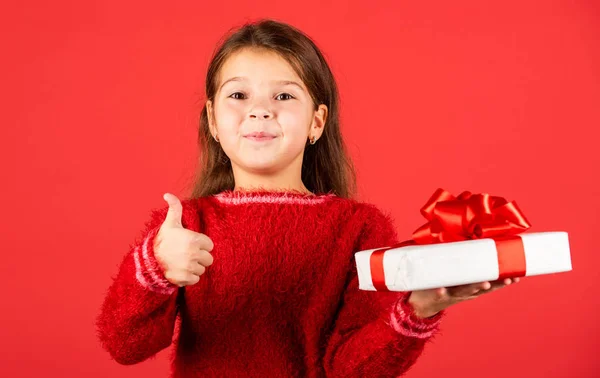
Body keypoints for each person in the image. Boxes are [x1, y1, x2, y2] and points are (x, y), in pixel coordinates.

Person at [96, 19, 518, 378]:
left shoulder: (359, 228)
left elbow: (352, 368)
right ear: (212, 120)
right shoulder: (181, 227)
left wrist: (419, 309)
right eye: (238, 95)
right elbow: (125, 344)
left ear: (317, 121)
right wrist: (155, 268)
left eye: (283, 96)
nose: (259, 111)